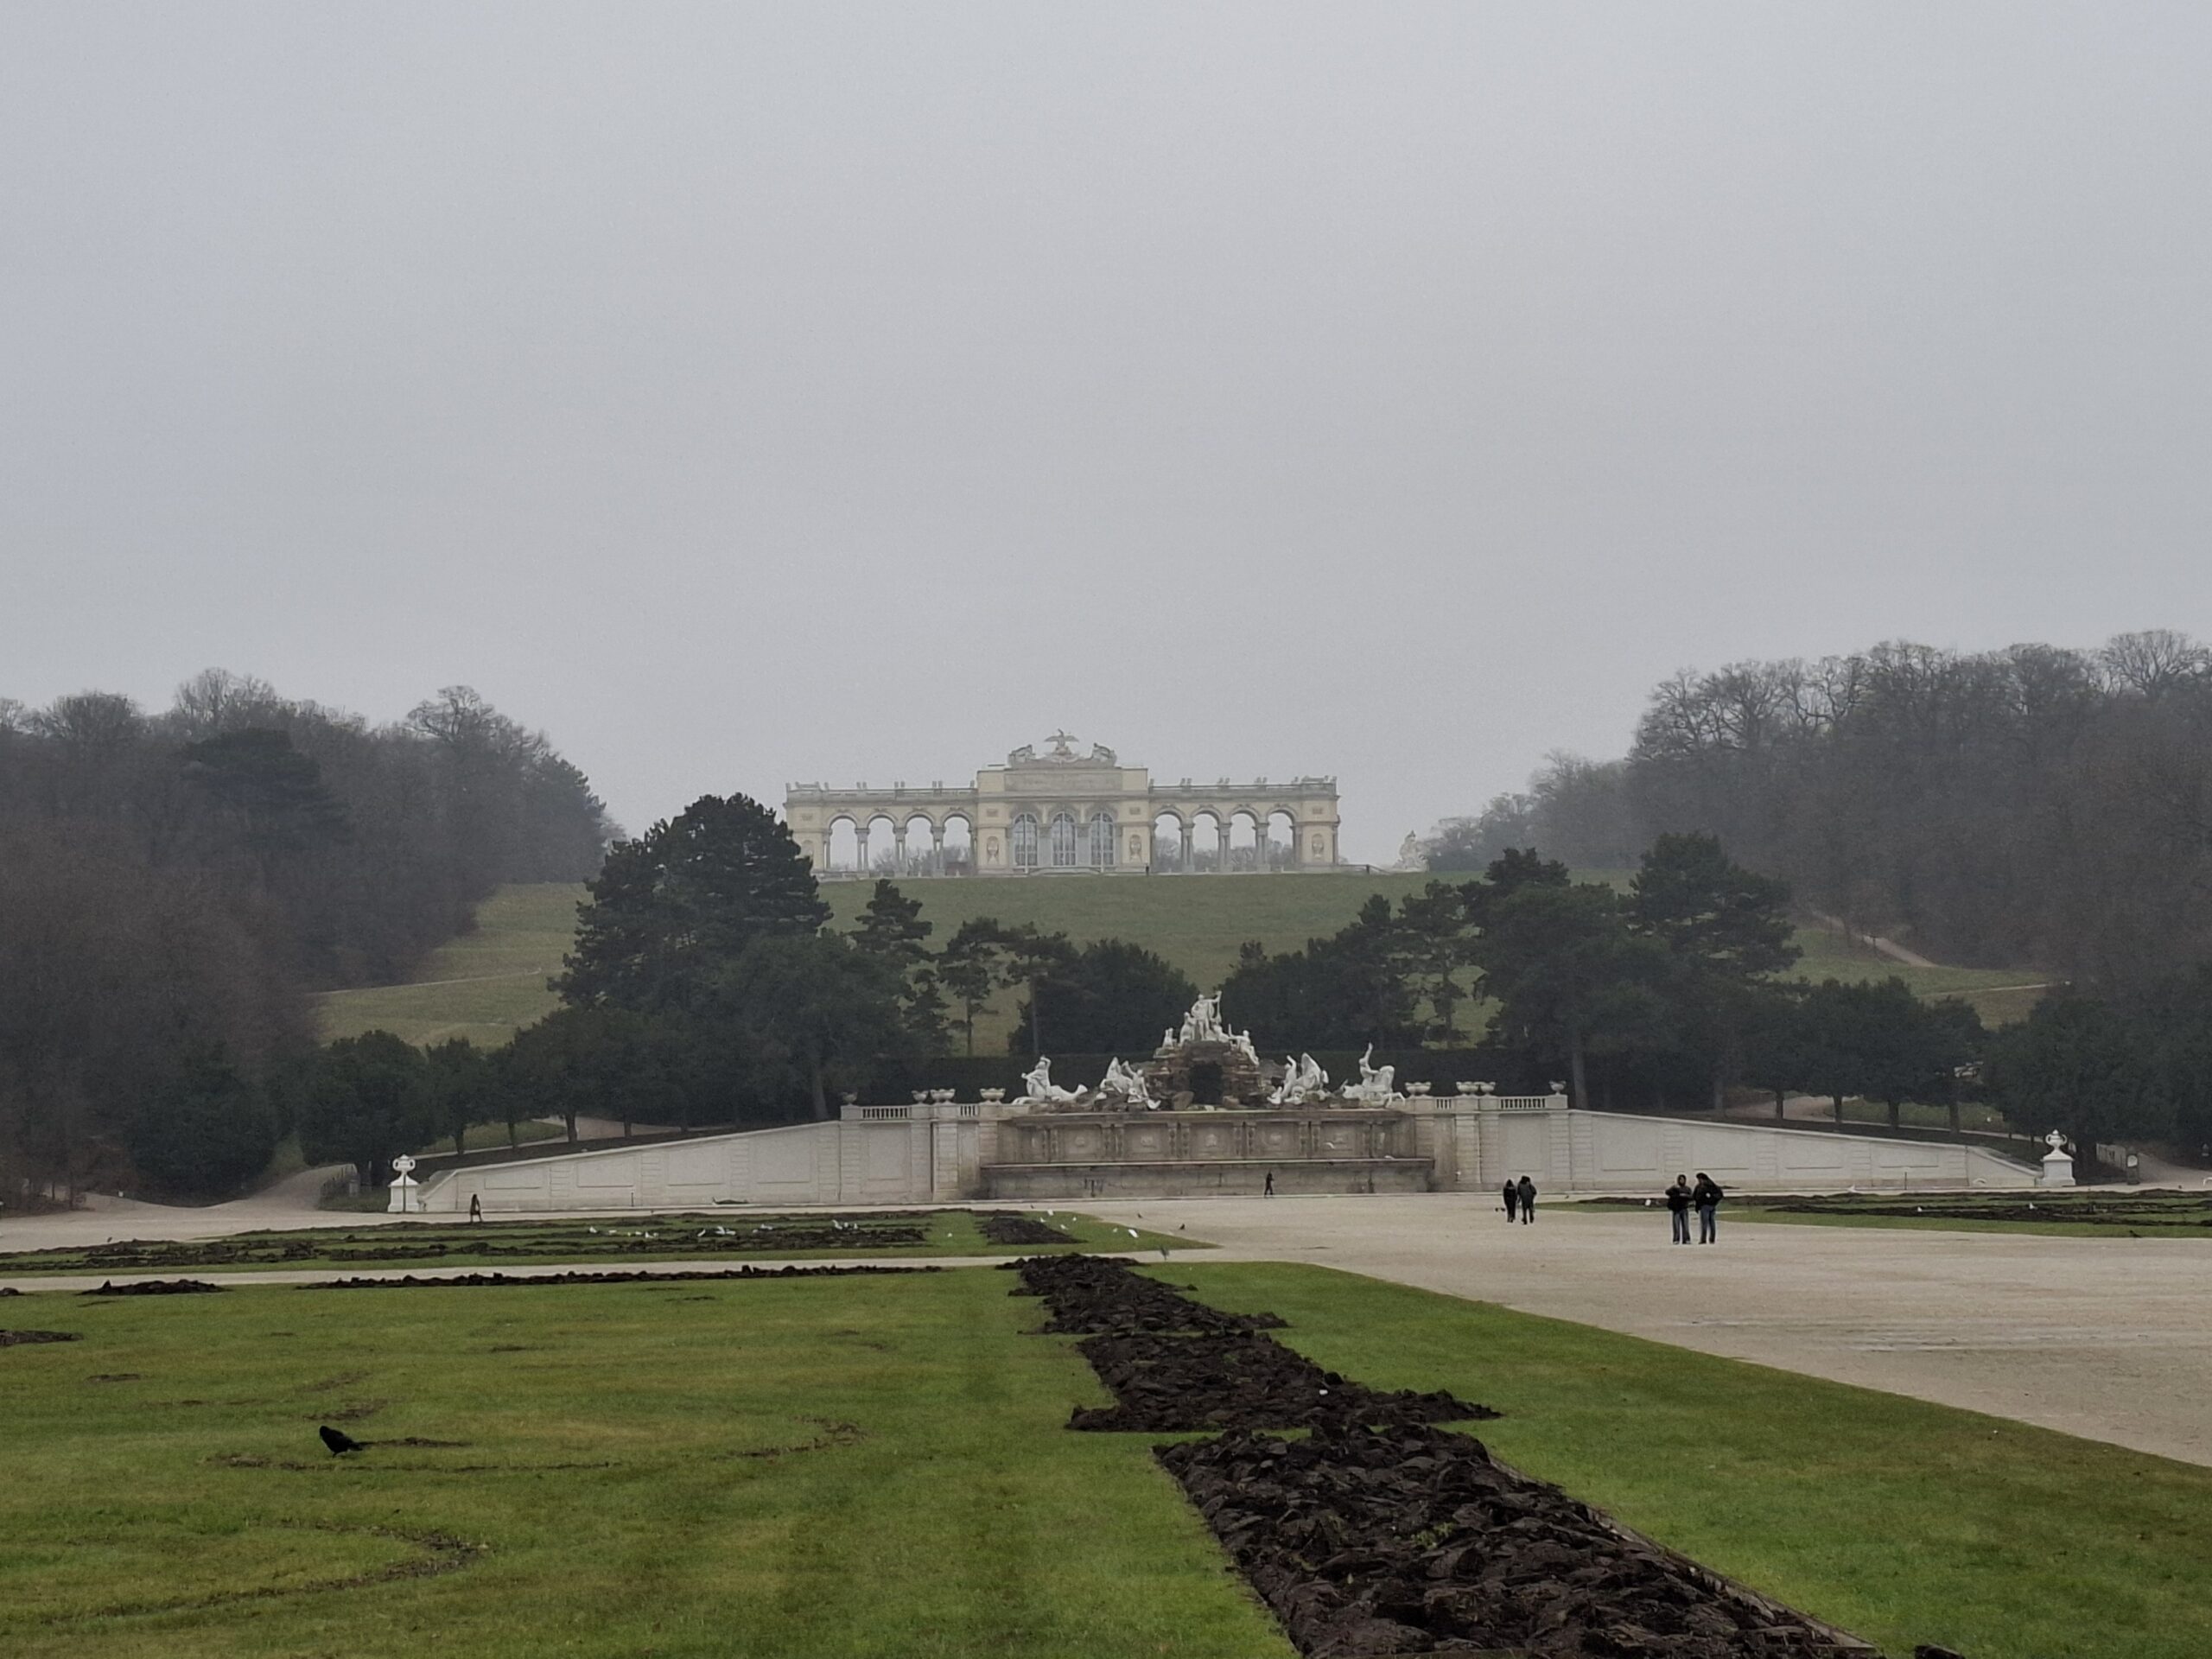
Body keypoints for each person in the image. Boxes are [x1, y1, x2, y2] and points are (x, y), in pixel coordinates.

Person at [1692, 1172, 1723, 1243]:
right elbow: (1720, 1194)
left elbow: (1696, 1197)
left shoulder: (1701, 1187)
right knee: (1712, 1223)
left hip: (1704, 1206)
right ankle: (1712, 1238)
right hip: (1712, 1206)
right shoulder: (1713, 1185)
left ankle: (1703, 1239)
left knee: (1704, 1223)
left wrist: (1698, 1204)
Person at [1665, 1174, 1693, 1244]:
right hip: (1676, 1209)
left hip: (1684, 1208)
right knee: (1676, 1225)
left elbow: (1691, 1197)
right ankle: (1676, 1239)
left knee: (1686, 1225)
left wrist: (1685, 1196)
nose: (1682, 1181)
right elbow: (1667, 1192)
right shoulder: (1675, 1188)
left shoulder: (1687, 1189)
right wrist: (1674, 1189)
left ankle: (1686, 1239)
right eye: (1680, 1179)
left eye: (1683, 1179)